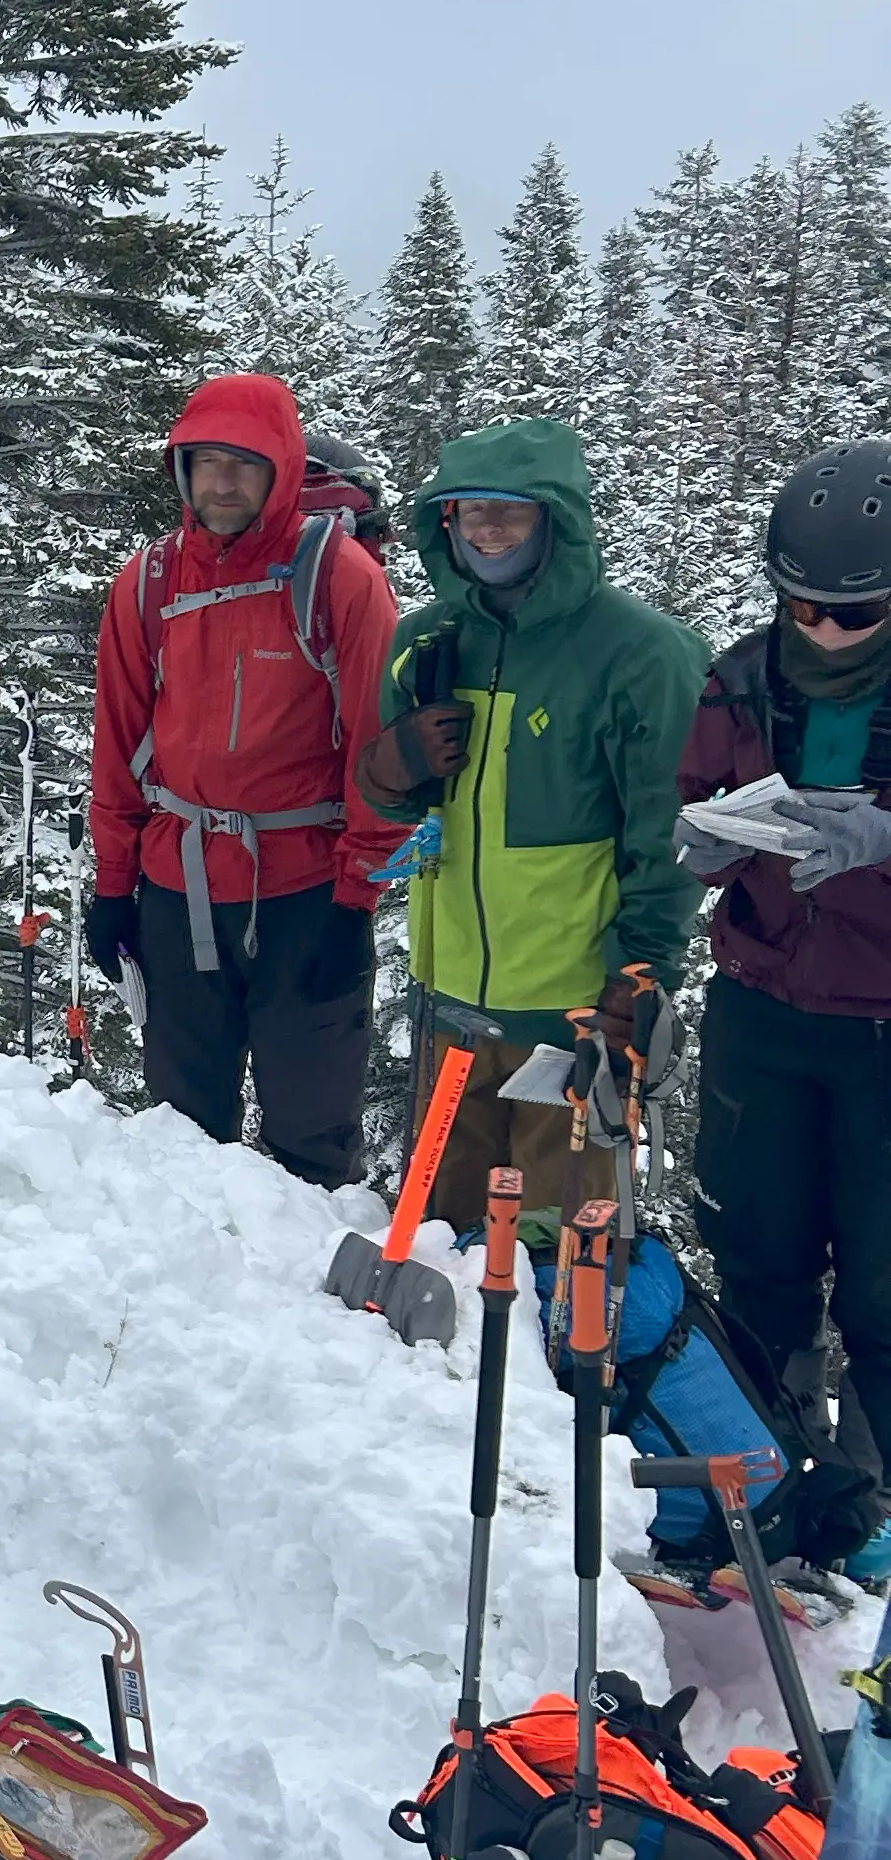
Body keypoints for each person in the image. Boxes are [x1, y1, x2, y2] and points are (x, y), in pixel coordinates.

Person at [353, 417, 704, 1227]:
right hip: (450, 1010)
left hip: (571, 1018)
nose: (491, 530)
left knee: (562, 1267)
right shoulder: (428, 639)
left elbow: (669, 833)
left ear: (558, 518)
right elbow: (397, 809)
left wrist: (642, 975)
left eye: (511, 511)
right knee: (446, 1241)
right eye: (471, 512)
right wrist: (391, 767)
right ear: (447, 523)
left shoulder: (641, 653)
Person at [85, 372, 403, 1188]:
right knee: (181, 1136)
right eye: (206, 462)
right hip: (176, 882)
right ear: (181, 469)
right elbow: (118, 748)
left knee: (311, 1140)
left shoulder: (339, 579)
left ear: (282, 470)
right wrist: (113, 886)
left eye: (245, 463)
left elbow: (381, 753)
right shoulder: (149, 582)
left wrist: (355, 902)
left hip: (305, 892)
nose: (222, 483)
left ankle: (311, 1313)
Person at [673, 440, 891, 1589]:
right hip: (764, 1005)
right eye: (803, 603)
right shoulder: (743, 676)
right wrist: (708, 837)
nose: (823, 629)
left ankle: (868, 1512)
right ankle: (762, 1482)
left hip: (885, 1028)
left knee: (883, 1289)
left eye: (853, 613)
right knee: (757, 1256)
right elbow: (693, 790)